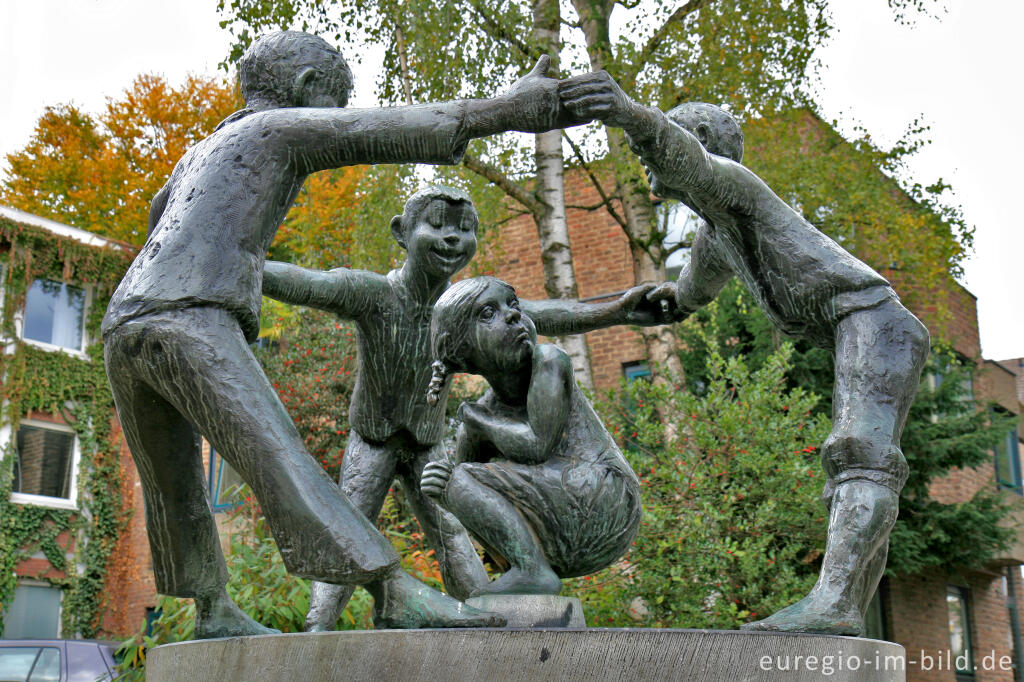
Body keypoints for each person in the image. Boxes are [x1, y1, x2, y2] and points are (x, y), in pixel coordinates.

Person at [101, 29, 578, 638]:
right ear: (306, 90)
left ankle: (212, 610)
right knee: (278, 455)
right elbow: (379, 131)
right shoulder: (273, 129)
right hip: (189, 313)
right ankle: (390, 590)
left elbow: (158, 220)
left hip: (126, 321)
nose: (339, 116)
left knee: (172, 478)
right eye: (336, 100)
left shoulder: (199, 150)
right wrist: (506, 109)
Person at [559, 72, 930, 635]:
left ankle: (832, 605)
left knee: (859, 456)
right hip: (862, 329)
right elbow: (678, 300)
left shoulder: (736, 184)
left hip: (876, 320)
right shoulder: (716, 238)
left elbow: (694, 166)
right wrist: (598, 311)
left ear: (700, 136)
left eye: (662, 143)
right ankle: (843, 606)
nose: (646, 162)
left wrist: (630, 115)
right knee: (854, 472)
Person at [262, 185, 666, 629]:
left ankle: (482, 618)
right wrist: (245, 268)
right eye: (437, 225)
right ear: (402, 233)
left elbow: (553, 314)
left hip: (426, 442)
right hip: (373, 440)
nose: (452, 238)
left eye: (466, 229)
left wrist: (619, 311)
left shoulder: (478, 308)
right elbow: (308, 283)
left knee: (453, 532)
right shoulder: (374, 294)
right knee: (347, 527)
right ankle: (318, 626)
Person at [418, 277, 643, 597]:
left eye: (513, 304)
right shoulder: (482, 413)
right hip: (567, 509)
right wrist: (444, 490)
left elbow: (537, 444)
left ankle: (532, 570)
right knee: (454, 479)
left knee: (460, 476)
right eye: (488, 314)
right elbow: (470, 494)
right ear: (462, 351)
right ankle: (527, 567)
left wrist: (479, 424)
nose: (512, 315)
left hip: (606, 495)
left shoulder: (549, 361)